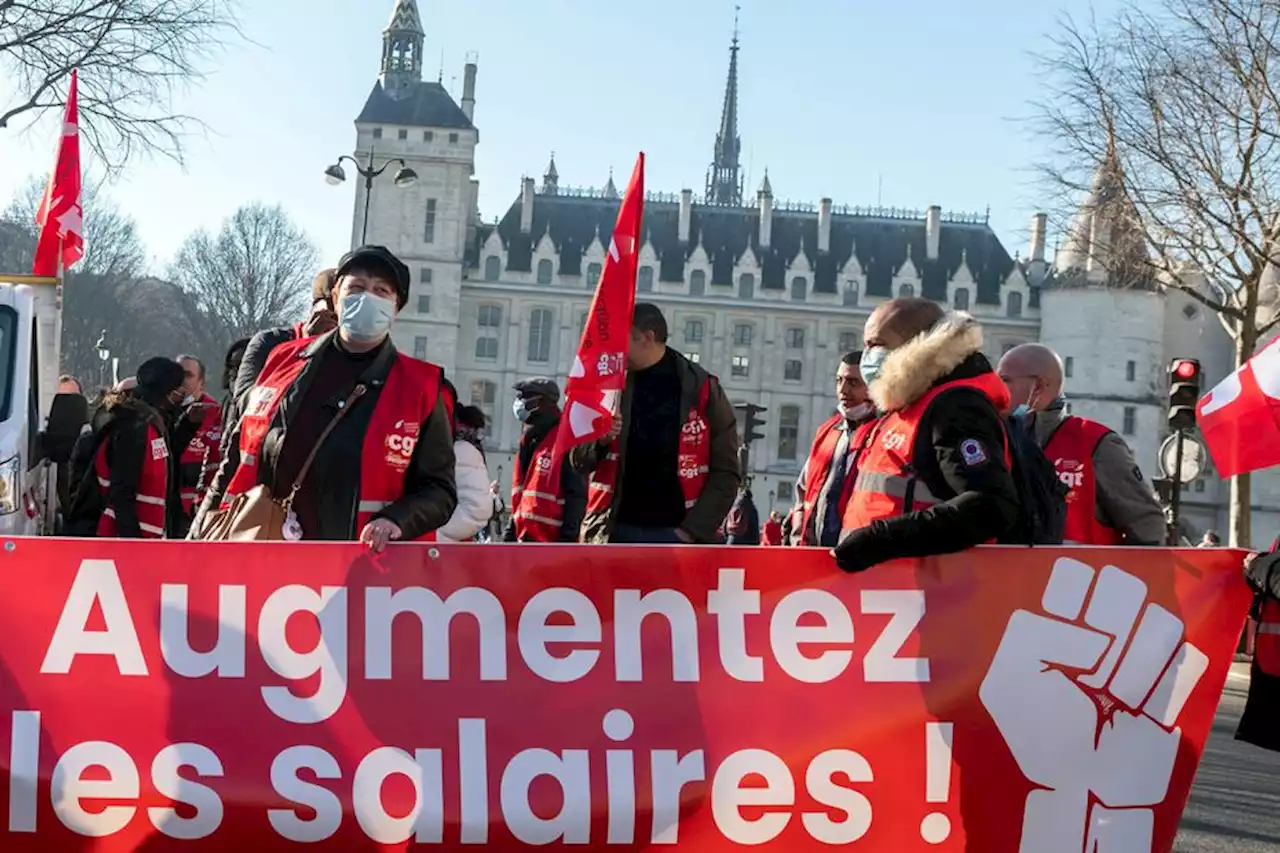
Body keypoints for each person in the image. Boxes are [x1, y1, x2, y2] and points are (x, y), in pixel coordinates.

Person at [197, 246, 456, 549]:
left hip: (360, 568)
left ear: (396, 307)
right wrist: (199, 531)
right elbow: (236, 457)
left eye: (381, 291)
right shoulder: (283, 360)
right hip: (264, 551)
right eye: (356, 287)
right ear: (335, 297)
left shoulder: (421, 387)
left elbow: (439, 491)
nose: (366, 298)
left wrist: (396, 520)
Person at [834, 299, 1020, 571]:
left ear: (916, 344)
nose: (866, 356)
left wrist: (881, 539)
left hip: (930, 591)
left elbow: (991, 505)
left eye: (875, 344)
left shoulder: (955, 407)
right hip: (884, 588)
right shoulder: (908, 403)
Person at [570, 303, 741, 544]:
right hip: (612, 531)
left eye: (622, 340)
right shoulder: (606, 385)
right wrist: (601, 439)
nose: (615, 350)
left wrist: (691, 532)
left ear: (647, 337)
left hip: (676, 535)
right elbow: (576, 460)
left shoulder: (701, 387)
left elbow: (727, 471)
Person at [998, 343, 1164, 545]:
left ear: (1039, 386)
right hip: (1008, 574)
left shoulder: (1095, 443)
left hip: (1080, 574)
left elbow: (1147, 527)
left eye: (1005, 381)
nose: (997, 390)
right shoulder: (997, 441)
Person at [76, 358, 186, 539]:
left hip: (148, 537)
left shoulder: (151, 423)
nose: (179, 399)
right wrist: (133, 543)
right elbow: (122, 491)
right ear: (165, 392)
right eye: (177, 393)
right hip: (125, 539)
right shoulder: (134, 426)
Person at [227, 269, 338, 438]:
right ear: (314, 308)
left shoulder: (350, 354)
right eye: (331, 313)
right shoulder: (269, 342)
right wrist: (306, 347)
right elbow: (244, 401)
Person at [789, 351, 878, 546]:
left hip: (858, 553)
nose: (842, 390)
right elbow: (803, 491)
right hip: (813, 551)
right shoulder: (827, 431)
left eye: (853, 382)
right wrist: (797, 537)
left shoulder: (884, 431)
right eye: (839, 381)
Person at [505, 377, 587, 542]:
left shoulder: (566, 440)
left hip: (551, 542)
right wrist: (510, 533)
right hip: (524, 537)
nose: (519, 403)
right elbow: (522, 493)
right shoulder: (529, 439)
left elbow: (576, 495)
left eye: (524, 398)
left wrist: (566, 542)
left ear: (540, 402)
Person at [435, 403, 494, 542]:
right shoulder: (465, 449)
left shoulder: (462, 450)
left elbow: (475, 509)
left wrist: (434, 533)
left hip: (446, 543)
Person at [175, 354, 223, 520]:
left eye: (188, 375)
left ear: (201, 383)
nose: (182, 380)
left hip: (203, 508)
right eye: (177, 374)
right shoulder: (164, 413)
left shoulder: (216, 413)